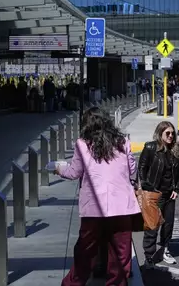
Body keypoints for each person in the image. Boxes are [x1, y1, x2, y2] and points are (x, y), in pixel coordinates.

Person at [55, 107, 140, 286]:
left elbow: (73, 172)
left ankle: (73, 283)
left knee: (85, 252)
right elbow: (133, 170)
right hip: (122, 207)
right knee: (120, 255)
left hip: (93, 209)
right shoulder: (123, 141)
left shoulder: (82, 144)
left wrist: (59, 168)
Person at [138, 121, 179, 268]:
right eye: (167, 133)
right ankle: (149, 256)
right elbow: (142, 168)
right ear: (160, 134)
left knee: (168, 224)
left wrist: (176, 189)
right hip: (154, 194)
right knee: (152, 226)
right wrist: (147, 187)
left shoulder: (176, 149)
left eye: (172, 133)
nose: (171, 136)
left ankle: (165, 249)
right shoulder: (151, 147)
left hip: (169, 194)